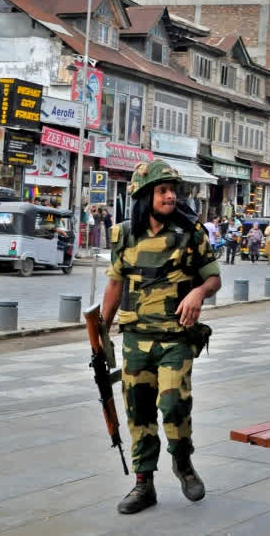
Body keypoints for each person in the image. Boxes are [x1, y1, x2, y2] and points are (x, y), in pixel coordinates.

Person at [101, 160, 221, 514]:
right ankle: (144, 485)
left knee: (173, 406)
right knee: (138, 412)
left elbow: (213, 278)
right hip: (135, 339)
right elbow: (114, 283)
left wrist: (197, 294)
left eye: (173, 190)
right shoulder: (123, 234)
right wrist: (100, 335)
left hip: (175, 338)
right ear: (144, 196)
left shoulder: (191, 233)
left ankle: (183, 464)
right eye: (162, 190)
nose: (170, 196)